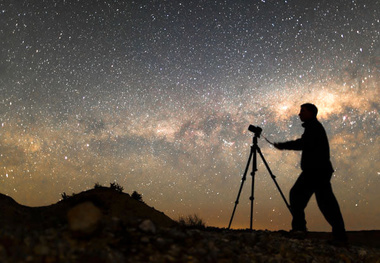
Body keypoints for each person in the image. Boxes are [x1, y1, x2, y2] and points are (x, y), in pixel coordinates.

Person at [274, 103, 347, 243]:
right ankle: (339, 236)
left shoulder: (313, 128)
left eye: (302, 111)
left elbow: (303, 143)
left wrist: (283, 146)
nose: (299, 114)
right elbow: (305, 143)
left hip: (316, 171)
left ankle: (300, 229)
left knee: (299, 196)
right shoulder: (313, 127)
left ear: (311, 113)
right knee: (326, 203)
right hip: (319, 171)